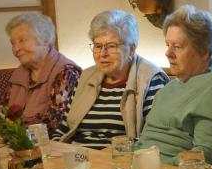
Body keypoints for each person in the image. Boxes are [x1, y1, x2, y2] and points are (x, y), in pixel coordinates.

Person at [138, 6, 212, 165]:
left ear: (204, 51)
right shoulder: (168, 89)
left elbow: (210, 151)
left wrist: (163, 168)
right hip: (141, 168)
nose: (168, 53)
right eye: (168, 45)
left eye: (177, 46)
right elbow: (144, 141)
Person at [54, 10, 168, 148]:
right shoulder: (86, 77)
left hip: (119, 162)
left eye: (111, 46)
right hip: (76, 159)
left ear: (131, 49)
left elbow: (153, 140)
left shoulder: (151, 79)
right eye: (97, 46)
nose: (103, 54)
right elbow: (64, 129)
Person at [0, 13, 80, 135]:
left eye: (22, 41)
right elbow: (1, 110)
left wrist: (5, 124)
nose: (16, 49)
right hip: (16, 142)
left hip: (51, 147)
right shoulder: (20, 73)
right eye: (13, 43)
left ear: (45, 40)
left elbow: (54, 123)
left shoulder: (67, 71)